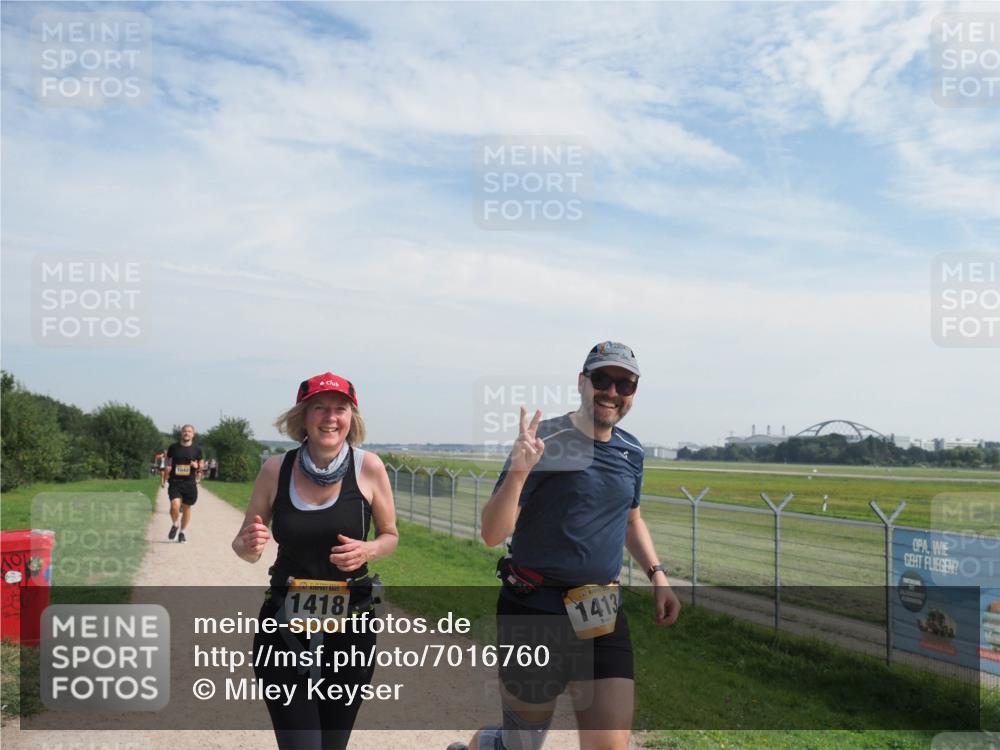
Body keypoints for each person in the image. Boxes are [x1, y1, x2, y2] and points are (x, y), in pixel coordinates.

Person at [453, 342, 681, 750]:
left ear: (633, 392)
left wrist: (657, 574)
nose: (612, 391)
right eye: (602, 379)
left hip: (600, 609)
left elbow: (631, 519)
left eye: (625, 384)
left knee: (609, 745)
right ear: (582, 382)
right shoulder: (543, 440)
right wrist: (519, 472)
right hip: (534, 609)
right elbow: (491, 533)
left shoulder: (632, 452)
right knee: (522, 744)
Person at [232, 371, 399, 750]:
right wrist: (248, 544)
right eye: (319, 408)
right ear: (303, 417)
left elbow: (390, 535)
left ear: (352, 417)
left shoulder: (369, 467)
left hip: (352, 627)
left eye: (341, 408)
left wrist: (369, 549)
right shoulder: (276, 469)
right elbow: (244, 546)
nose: (330, 417)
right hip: (283, 625)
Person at [166, 425, 203, 543]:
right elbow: (168, 459)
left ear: (193, 434)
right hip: (175, 482)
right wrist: (168, 467)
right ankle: (175, 524)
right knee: (174, 506)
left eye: (189, 431)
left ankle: (182, 532)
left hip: (189, 483)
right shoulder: (173, 447)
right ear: (181, 433)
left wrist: (197, 466)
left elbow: (201, 463)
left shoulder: (197, 449)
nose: (187, 433)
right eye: (184, 431)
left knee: (187, 508)